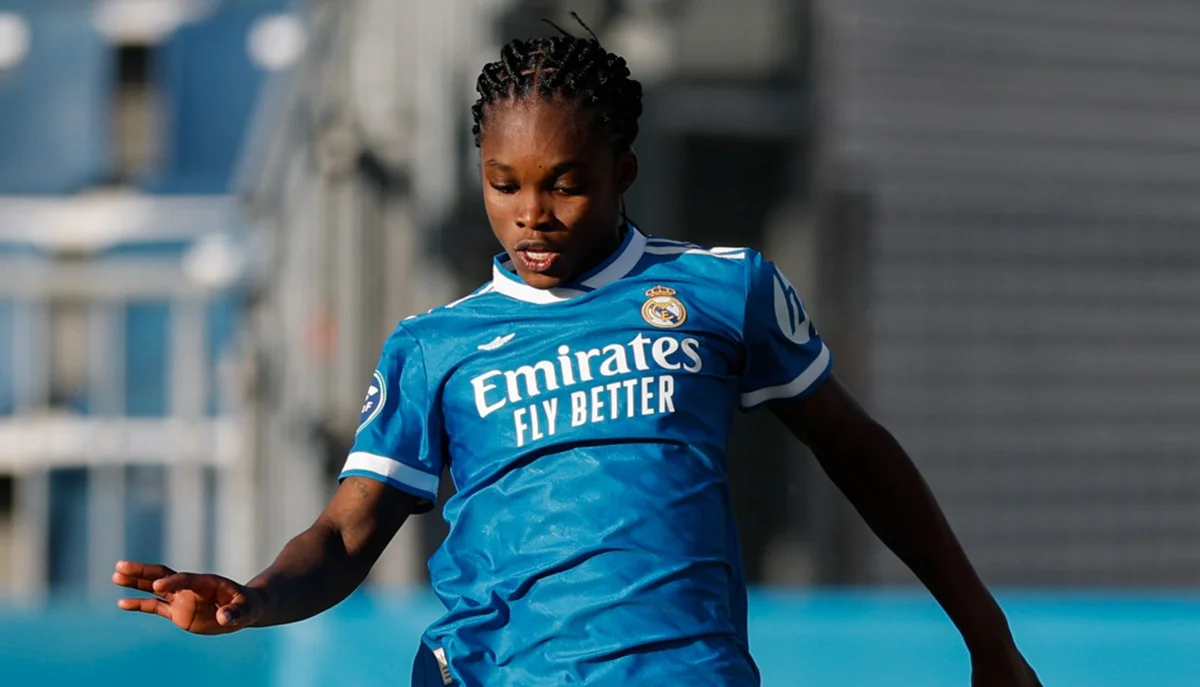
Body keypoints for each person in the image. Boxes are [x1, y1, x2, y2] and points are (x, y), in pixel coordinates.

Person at [114, 17, 1043, 687]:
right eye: (503, 184)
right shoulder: (434, 346)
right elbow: (346, 533)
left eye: (564, 184)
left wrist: (986, 635)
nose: (532, 214)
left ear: (622, 173)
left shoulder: (728, 291)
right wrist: (253, 596)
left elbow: (858, 452)